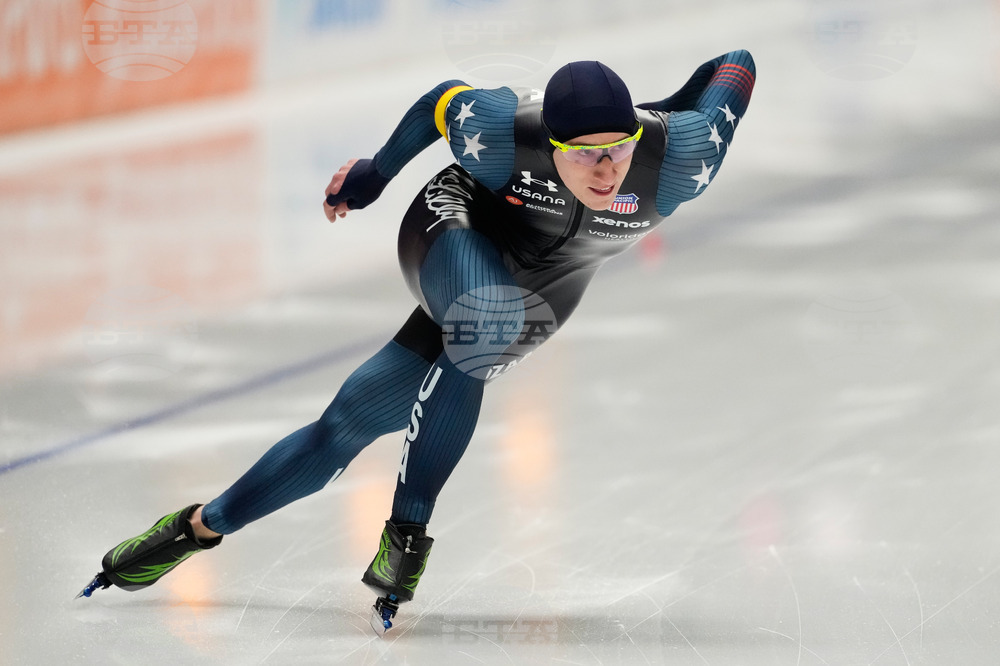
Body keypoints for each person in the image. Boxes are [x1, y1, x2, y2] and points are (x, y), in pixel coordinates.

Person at [81, 50, 756, 624]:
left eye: (618, 151)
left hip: (550, 286)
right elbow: (442, 103)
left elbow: (737, 63)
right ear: (551, 144)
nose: (607, 171)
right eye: (585, 155)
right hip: (455, 227)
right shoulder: (501, 133)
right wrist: (375, 173)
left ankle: (193, 527)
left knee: (346, 425)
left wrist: (655, 116)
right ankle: (406, 534)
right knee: (484, 321)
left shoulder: (683, 152)